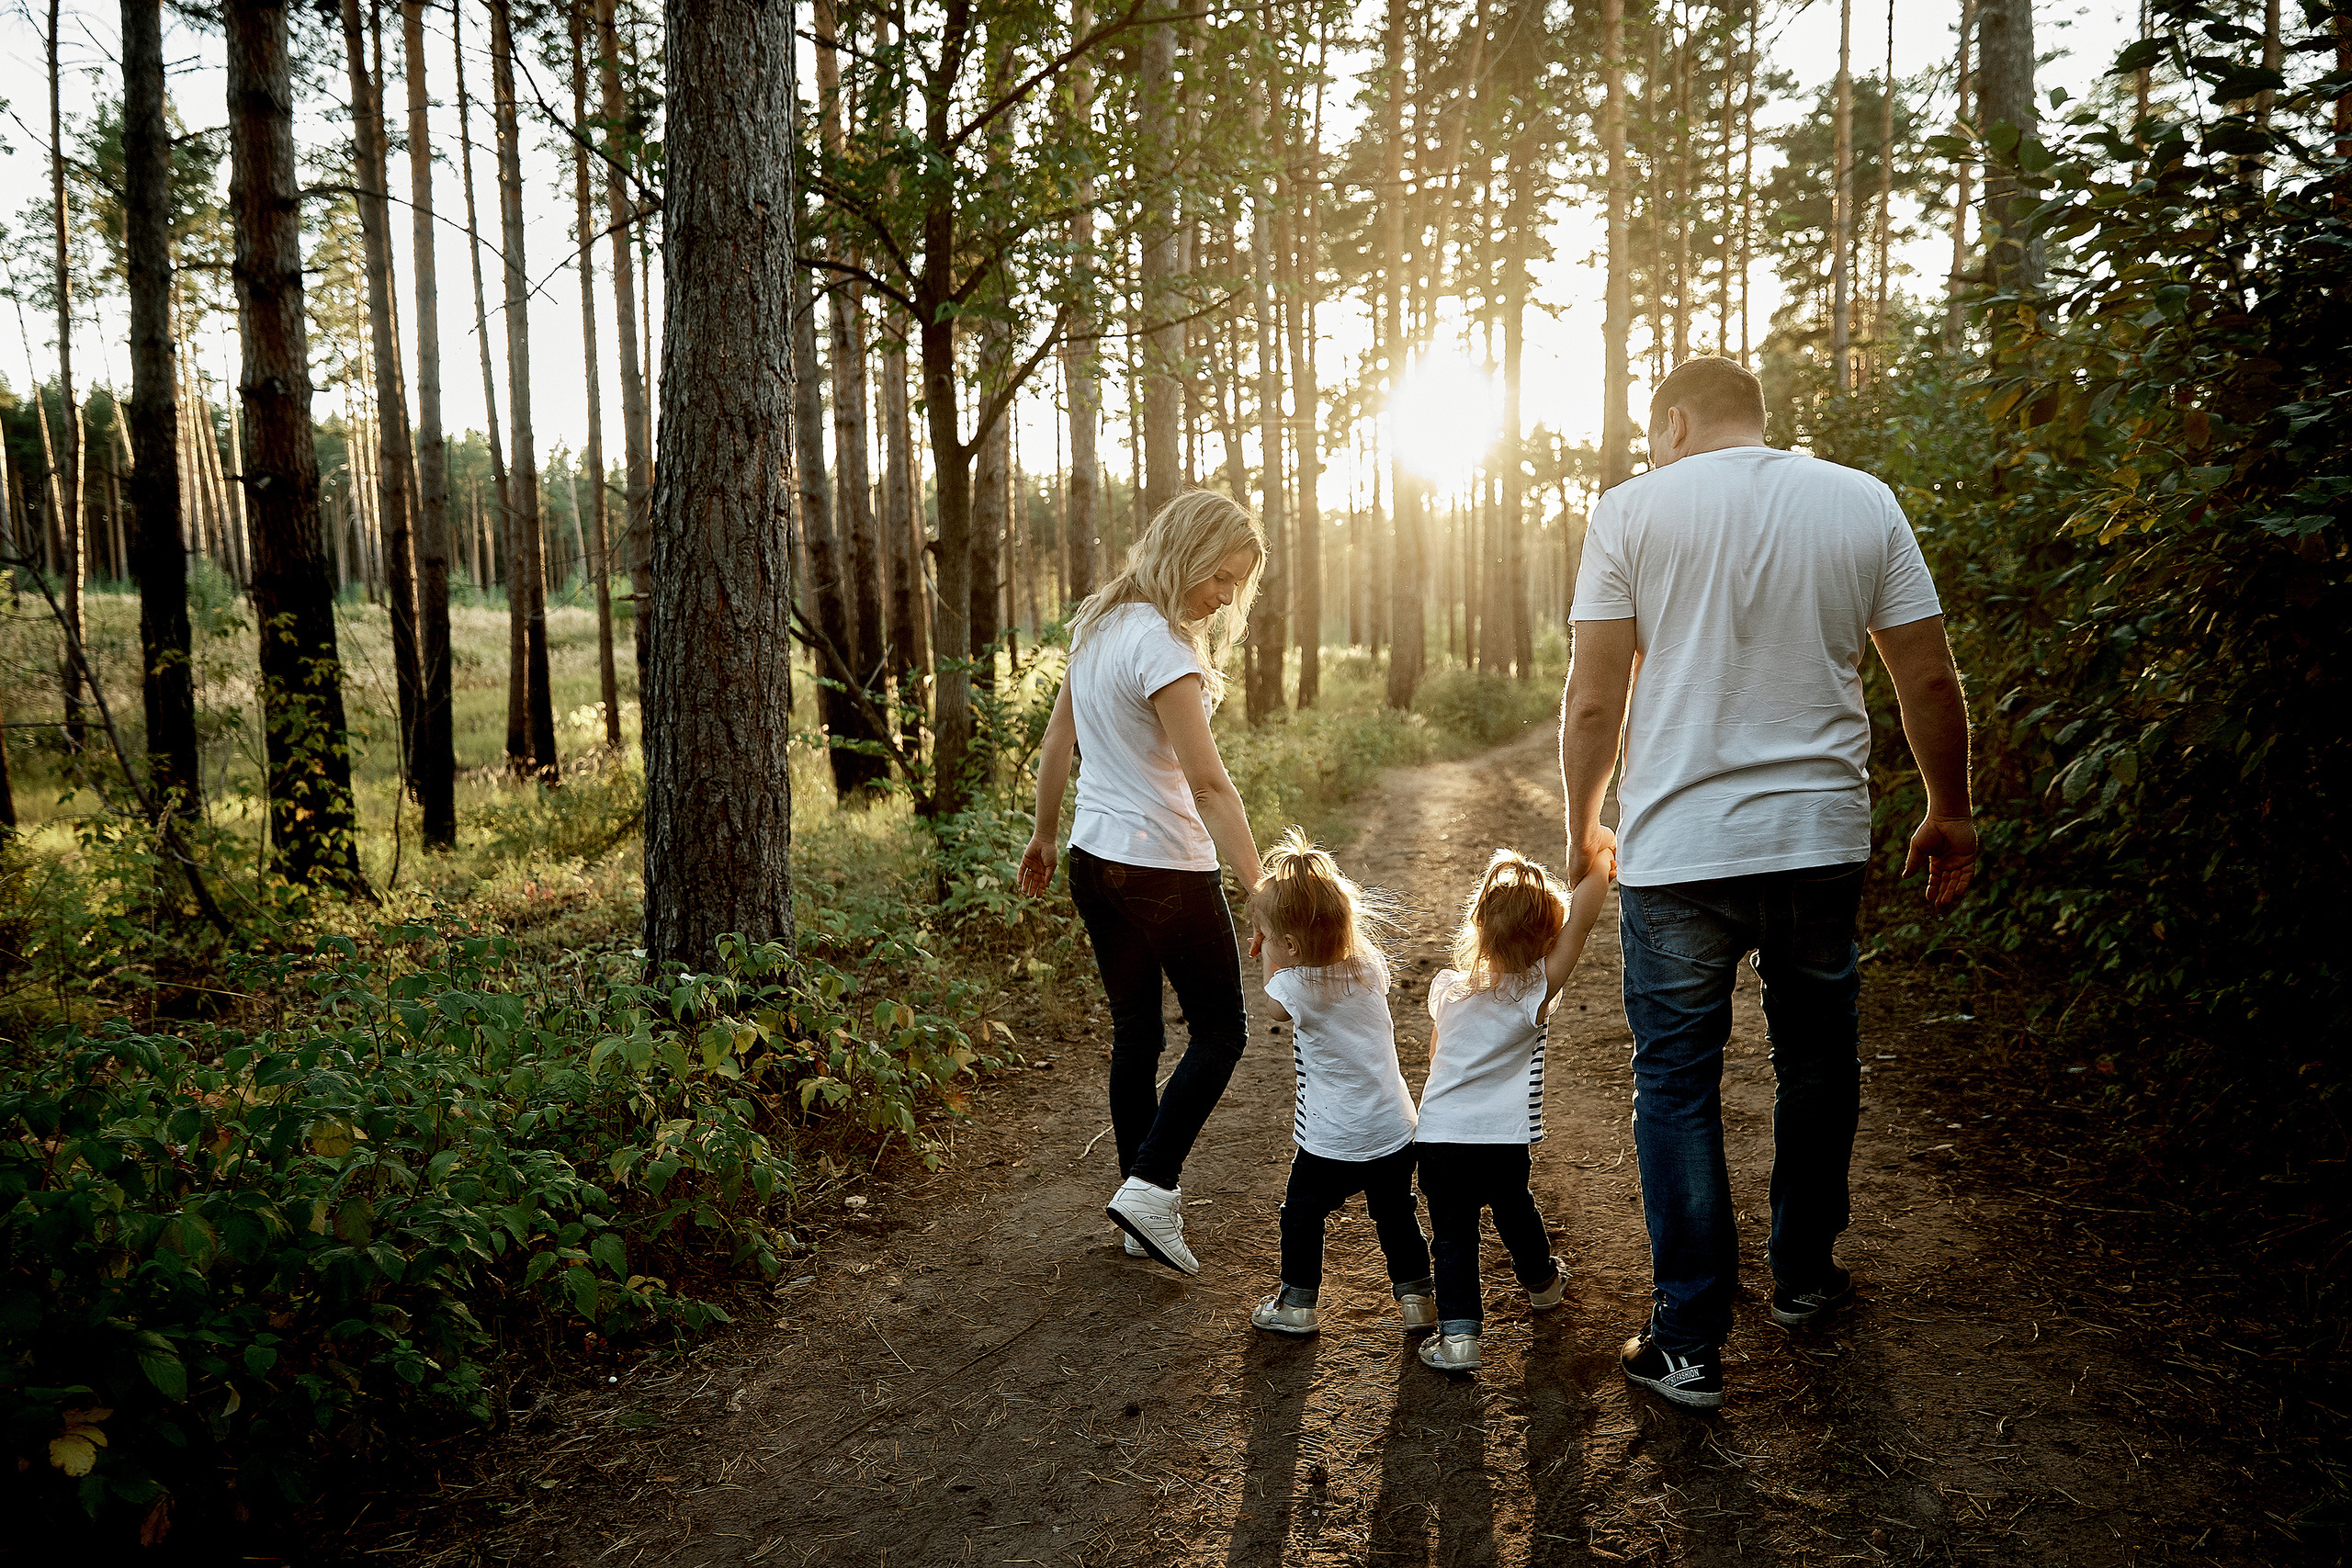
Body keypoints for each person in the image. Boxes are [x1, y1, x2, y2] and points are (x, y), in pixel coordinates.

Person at [1560, 355, 1979, 1411]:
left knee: (1676, 1083)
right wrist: (1950, 809)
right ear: (1761, 420)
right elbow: (1925, 673)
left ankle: (1690, 1343)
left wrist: (1582, 822)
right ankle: (1803, 1279)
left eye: (1656, 432)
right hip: (1816, 840)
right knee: (1817, 1063)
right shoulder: (1859, 501)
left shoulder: (1629, 513)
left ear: (1674, 422)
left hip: (1679, 849)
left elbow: (1593, 698)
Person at [1019, 491, 1269, 1276]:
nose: (1224, 596)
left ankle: (1138, 1210)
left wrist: (1045, 833)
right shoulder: (1161, 644)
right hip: (1162, 864)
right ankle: (1153, 1187)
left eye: (1236, 585)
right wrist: (1259, 885)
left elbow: (1057, 738)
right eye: (1219, 577)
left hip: (1094, 865)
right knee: (1223, 1029)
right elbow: (1210, 785)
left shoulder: (1096, 626)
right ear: (1185, 552)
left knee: (1139, 1035)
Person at [1414, 849, 1613, 1373]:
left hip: (1438, 1137)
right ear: (1548, 940)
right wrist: (1600, 858)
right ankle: (1544, 1285)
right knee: (1514, 1209)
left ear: (1477, 926)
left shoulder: (1448, 990)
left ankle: (1459, 1338)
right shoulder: (1535, 992)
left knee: (1452, 1234)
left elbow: (1436, 1057)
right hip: (1502, 1139)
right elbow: (1585, 922)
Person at [1244, 829, 1434, 1337]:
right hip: (1394, 1126)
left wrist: (1271, 953)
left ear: (1288, 944)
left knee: (1302, 1214)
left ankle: (1297, 1304)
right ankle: (1418, 1298)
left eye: (1263, 934)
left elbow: (1272, 1002)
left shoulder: (1292, 985)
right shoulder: (1369, 966)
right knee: (1396, 1214)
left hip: (1332, 1137)